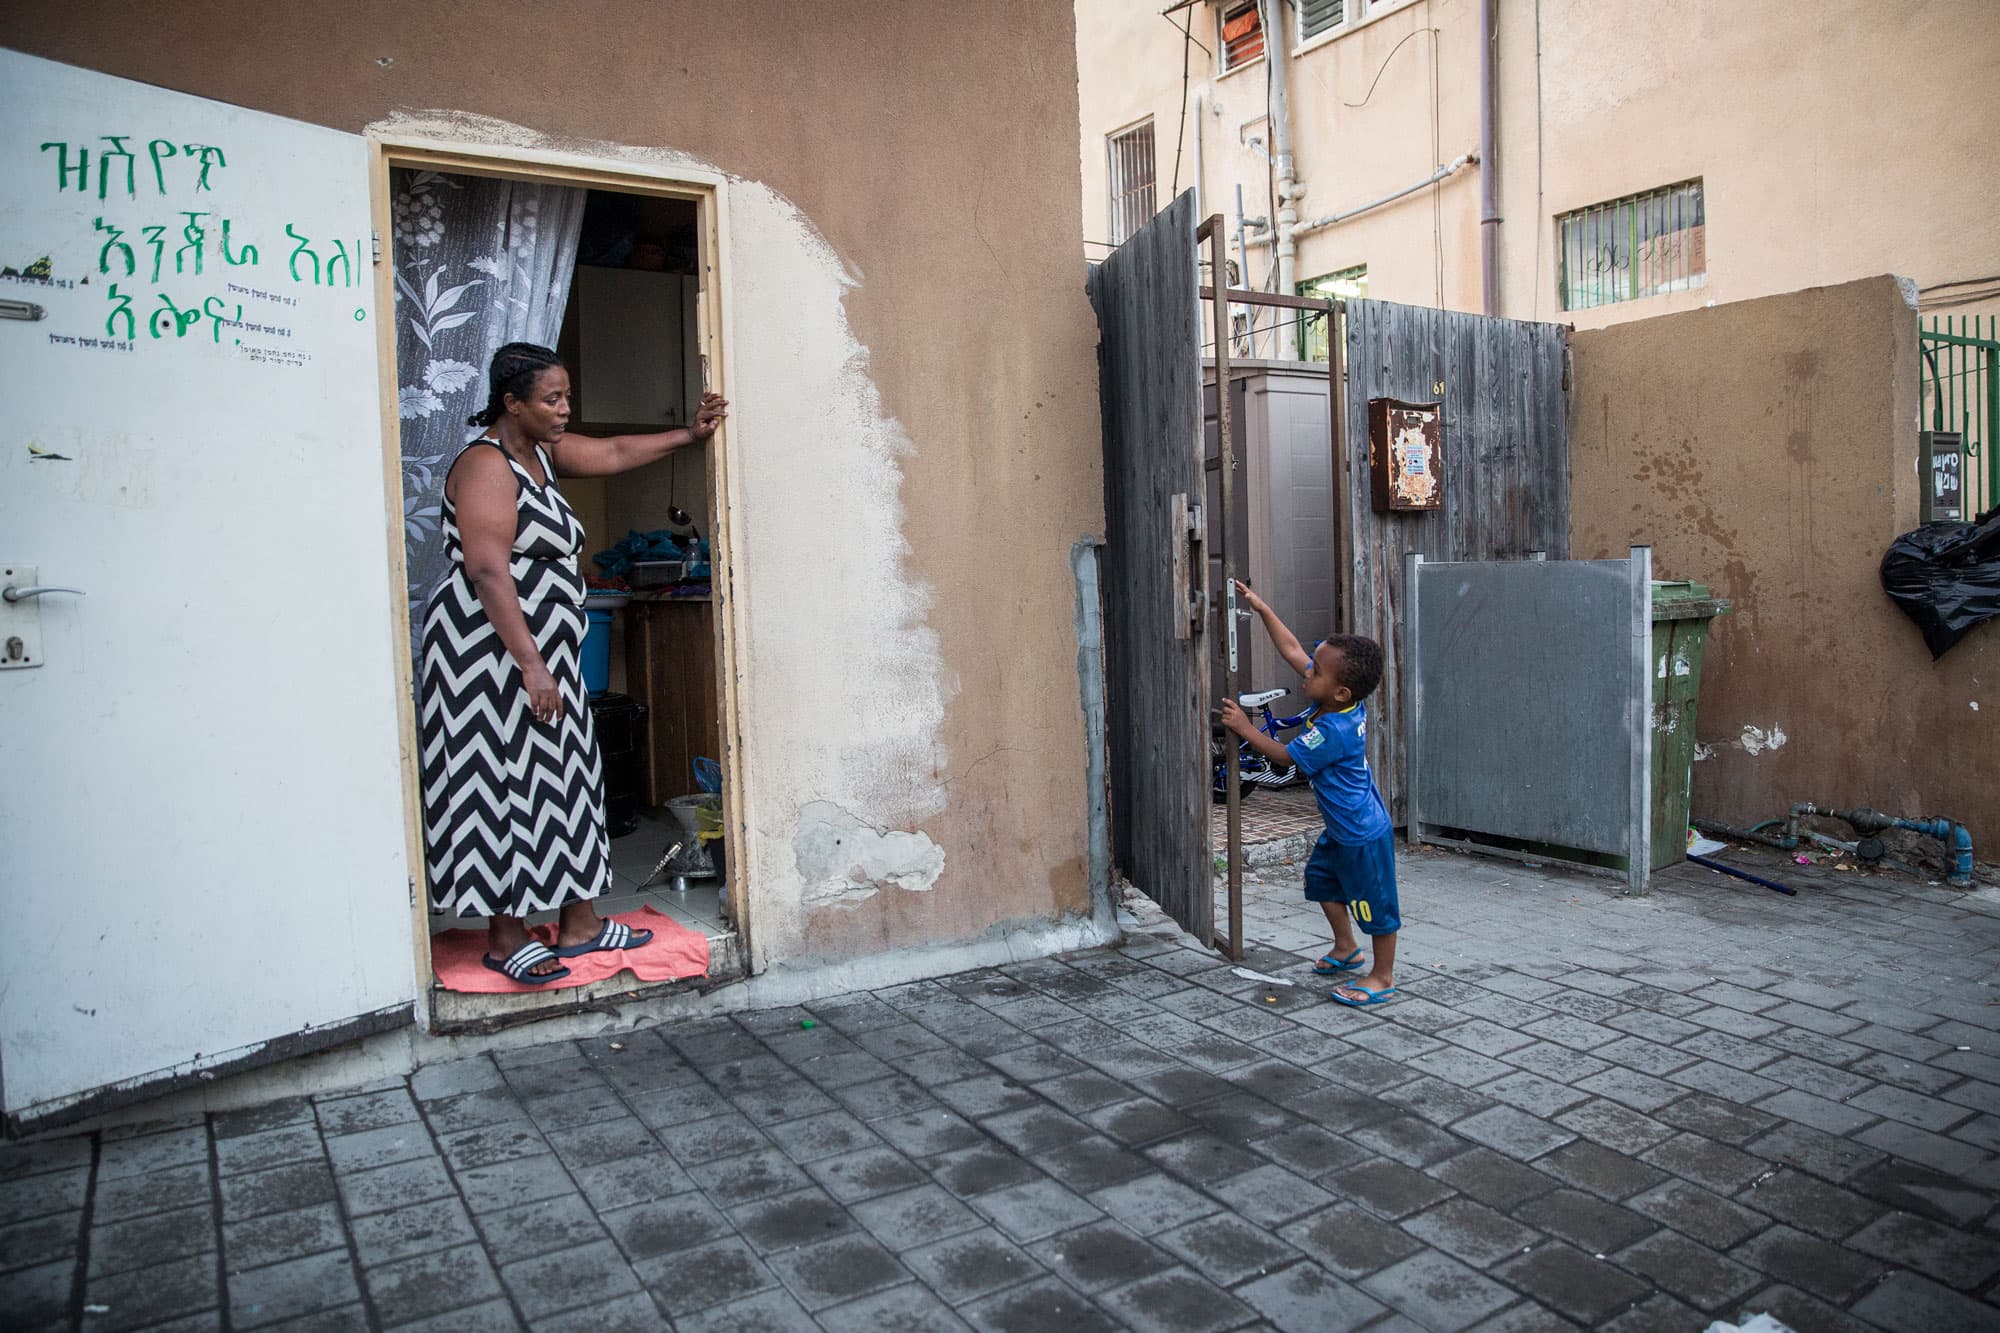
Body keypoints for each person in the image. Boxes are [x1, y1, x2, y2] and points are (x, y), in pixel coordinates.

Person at [418, 342, 728, 984]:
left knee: (564, 778)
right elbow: (485, 569)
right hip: (489, 655)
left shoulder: (541, 456)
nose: (564, 410)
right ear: (511, 403)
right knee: (498, 782)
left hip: (540, 650)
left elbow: (615, 453)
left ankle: (579, 923)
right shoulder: (487, 465)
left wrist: (690, 435)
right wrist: (532, 665)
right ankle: (504, 936)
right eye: (551, 399)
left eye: (567, 397)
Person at [1219, 580, 1400, 1007]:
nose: (1307, 672)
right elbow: (1294, 651)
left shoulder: (1335, 730)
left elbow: (1286, 758)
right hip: (1341, 831)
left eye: (1316, 672)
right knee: (1321, 881)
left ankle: (1382, 975)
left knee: (1376, 906)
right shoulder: (1340, 701)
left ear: (1340, 692)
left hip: (1361, 834)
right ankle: (1345, 948)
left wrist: (1245, 729)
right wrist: (1263, 609)